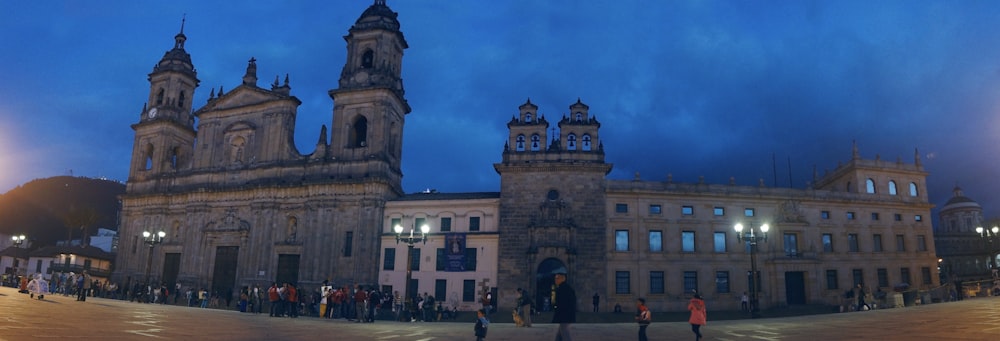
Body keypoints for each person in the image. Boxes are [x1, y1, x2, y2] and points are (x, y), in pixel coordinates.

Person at [552, 273, 576, 341]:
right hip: (565, 315)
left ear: (563, 279)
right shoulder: (566, 288)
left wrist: (556, 308)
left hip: (564, 315)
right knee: (560, 334)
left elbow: (562, 303)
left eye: (557, 278)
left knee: (565, 334)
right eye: (555, 278)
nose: (555, 280)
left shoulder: (563, 289)